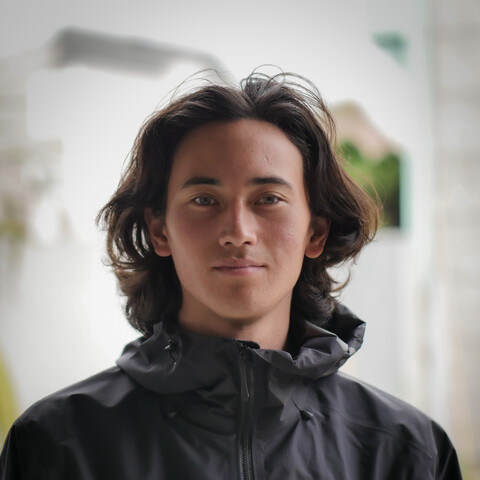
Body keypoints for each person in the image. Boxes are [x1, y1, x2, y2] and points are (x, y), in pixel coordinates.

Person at [0, 70, 462, 479]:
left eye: (268, 200)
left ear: (315, 233)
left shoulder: (407, 452)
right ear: (159, 230)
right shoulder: (57, 444)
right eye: (204, 199)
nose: (238, 232)